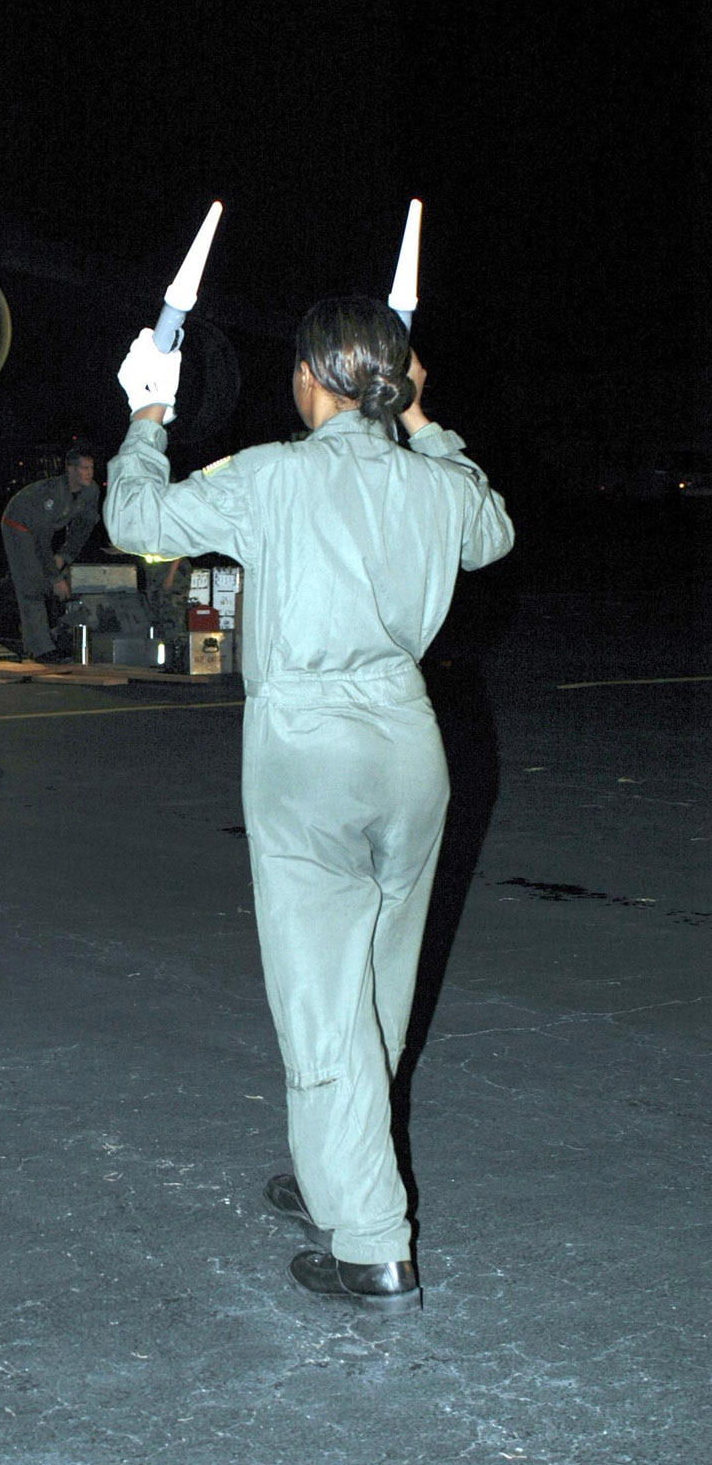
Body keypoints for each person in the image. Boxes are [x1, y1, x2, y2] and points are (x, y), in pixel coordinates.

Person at [104, 298, 513, 1317]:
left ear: (309, 378)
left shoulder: (273, 477)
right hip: (410, 744)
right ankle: (334, 1168)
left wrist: (146, 412)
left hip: (307, 750)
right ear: (394, 381)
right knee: (377, 979)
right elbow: (492, 528)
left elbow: (135, 523)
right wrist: (421, 418)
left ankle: (372, 1240)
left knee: (320, 997)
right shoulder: (434, 482)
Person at [0, 443, 101, 661]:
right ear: (70, 469)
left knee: (56, 578)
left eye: (91, 468)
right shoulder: (52, 494)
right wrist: (54, 577)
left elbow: (85, 525)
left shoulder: (91, 491)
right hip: (20, 525)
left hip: (43, 532)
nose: (89, 473)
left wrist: (65, 555)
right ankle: (40, 649)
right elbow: (40, 539)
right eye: (83, 468)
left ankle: (55, 634)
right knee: (32, 586)